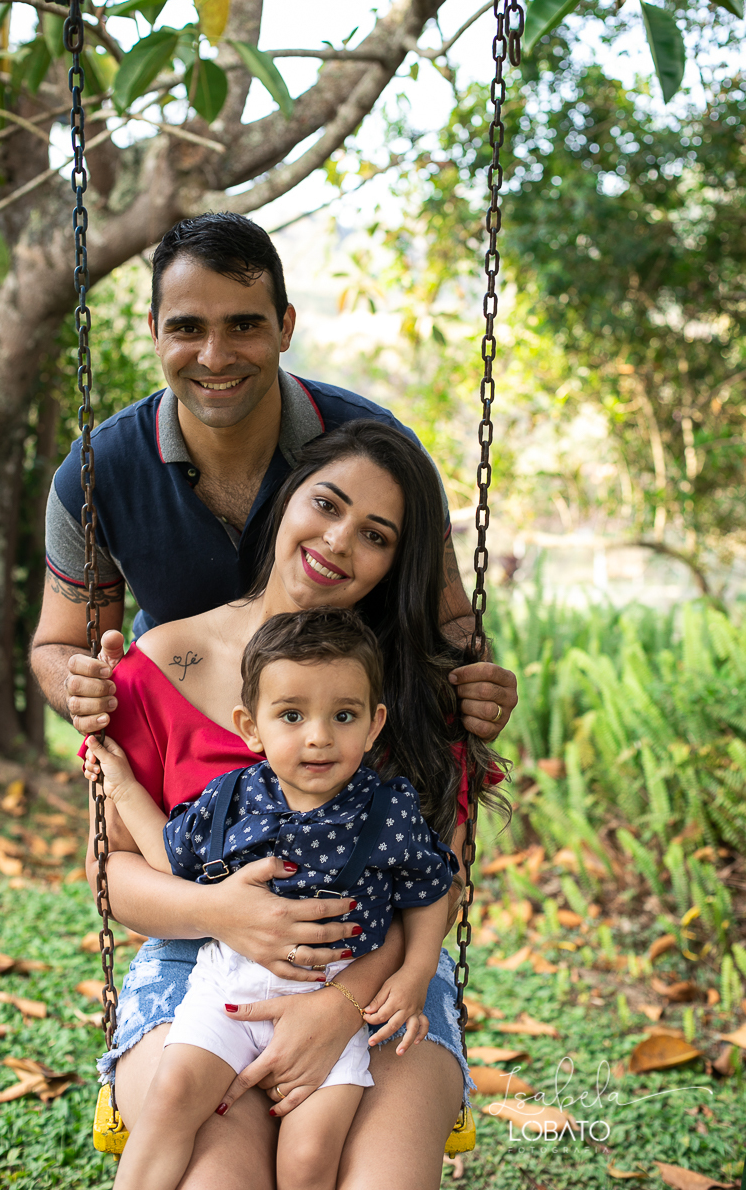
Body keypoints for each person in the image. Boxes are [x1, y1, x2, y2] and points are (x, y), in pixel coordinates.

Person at [80, 420, 508, 1190]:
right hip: (199, 962)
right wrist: (224, 912)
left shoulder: (407, 694)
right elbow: (115, 874)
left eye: (375, 535)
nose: (341, 541)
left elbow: (427, 886)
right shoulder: (158, 667)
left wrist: (346, 1001)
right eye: (328, 504)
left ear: (393, 563)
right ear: (286, 503)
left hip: (381, 967)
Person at [29, 211, 518, 745]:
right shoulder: (96, 476)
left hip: (348, 754)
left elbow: (449, 621)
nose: (215, 357)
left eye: (244, 325)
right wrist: (78, 686)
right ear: (154, 331)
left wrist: (478, 679)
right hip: (185, 751)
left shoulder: (375, 451)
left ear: (284, 326)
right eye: (187, 328)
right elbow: (60, 644)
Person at [83, 607, 458, 1190]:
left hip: (337, 992)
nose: (318, 736)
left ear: (374, 723)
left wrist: (418, 969)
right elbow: (168, 856)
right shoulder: (232, 798)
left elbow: (434, 887)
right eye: (291, 714)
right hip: (231, 985)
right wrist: (126, 788)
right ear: (250, 726)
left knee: (308, 1158)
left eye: (344, 715)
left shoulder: (388, 812)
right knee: (172, 1098)